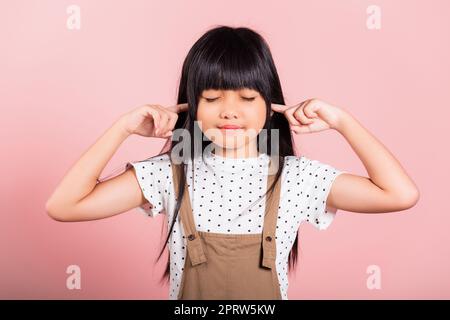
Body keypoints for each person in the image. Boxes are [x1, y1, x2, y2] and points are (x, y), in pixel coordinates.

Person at [45, 25, 420, 300]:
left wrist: (342, 121)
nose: (229, 112)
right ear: (190, 105)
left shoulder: (297, 176)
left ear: (270, 104)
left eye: (246, 97)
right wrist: (123, 128)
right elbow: (64, 206)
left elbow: (399, 194)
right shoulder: (169, 171)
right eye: (211, 98)